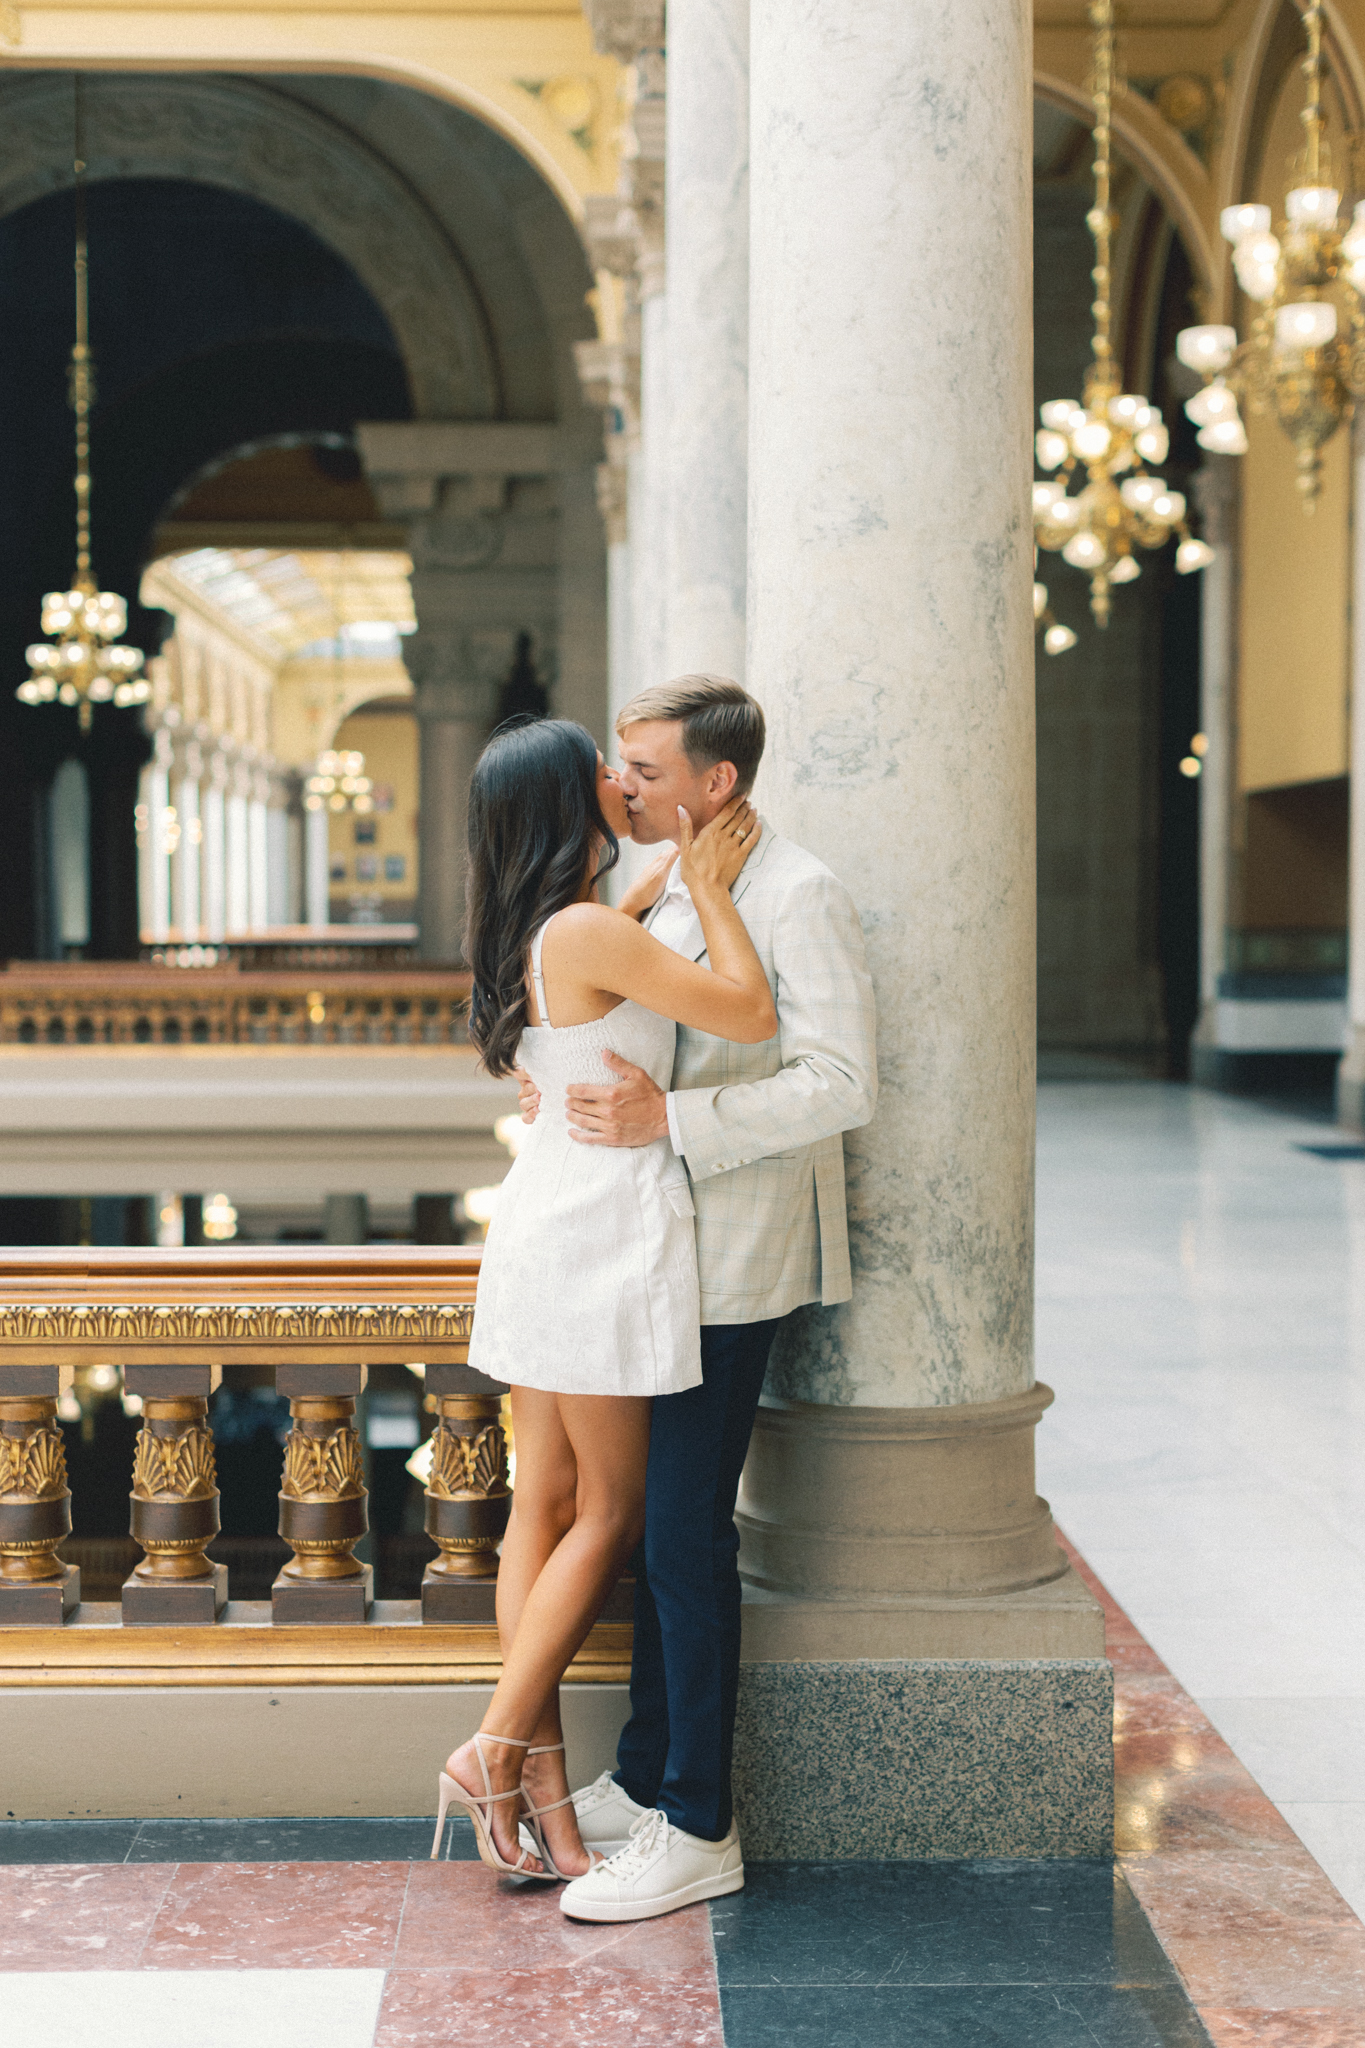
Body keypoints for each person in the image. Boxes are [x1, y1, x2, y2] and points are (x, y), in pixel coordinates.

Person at [516, 674, 878, 1926]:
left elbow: (841, 1081)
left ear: (718, 781)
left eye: (648, 770)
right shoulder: (666, 878)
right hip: (644, 1249)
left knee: (678, 1531)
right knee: (657, 1526)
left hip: (732, 1257)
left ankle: (702, 1824)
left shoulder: (801, 891)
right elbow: (613, 1017)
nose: (624, 785)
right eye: (620, 765)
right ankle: (650, 1774)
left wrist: (671, 1118)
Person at [432, 714, 774, 1894]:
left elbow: (598, 983)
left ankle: (533, 1776)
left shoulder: (546, 926)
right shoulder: (587, 925)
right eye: (606, 776)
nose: (625, 786)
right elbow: (746, 1011)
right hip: (599, 1229)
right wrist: (712, 886)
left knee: (548, 1503)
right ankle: (495, 1746)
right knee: (613, 1511)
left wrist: (657, 883)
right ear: (564, 805)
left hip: (546, 1218)